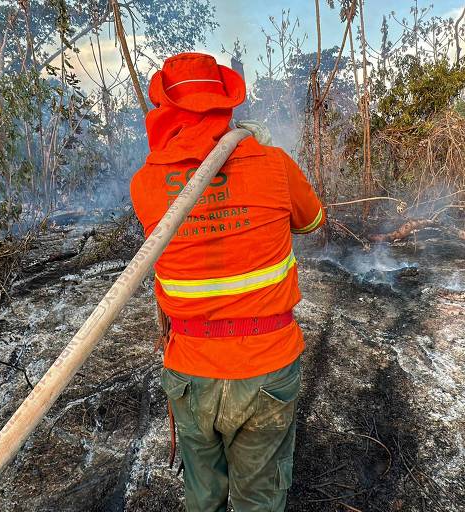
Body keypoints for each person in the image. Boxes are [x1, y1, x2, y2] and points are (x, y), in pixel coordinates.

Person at [129, 52, 326, 512]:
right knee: (261, 500)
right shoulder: (274, 163)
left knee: (203, 498)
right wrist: (260, 162)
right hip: (267, 368)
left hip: (190, 372)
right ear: (225, 104)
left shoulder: (145, 185)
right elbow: (313, 220)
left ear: (165, 110)